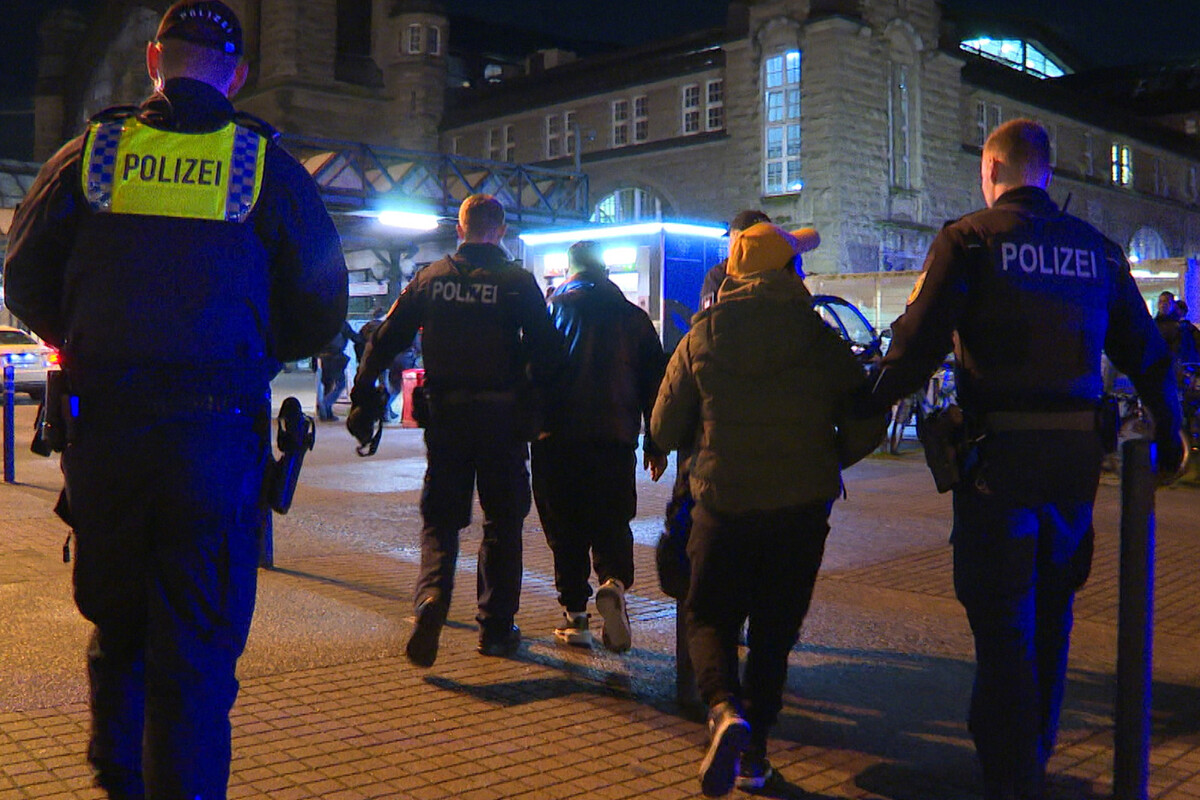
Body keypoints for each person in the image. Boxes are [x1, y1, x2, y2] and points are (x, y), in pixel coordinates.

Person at [1, 2, 348, 797]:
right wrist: (253, 350)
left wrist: (90, 342)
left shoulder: (91, 155)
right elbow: (322, 304)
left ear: (155, 61)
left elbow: (23, 276)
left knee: (118, 624)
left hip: (107, 436)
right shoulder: (264, 169)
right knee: (193, 655)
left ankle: (117, 780)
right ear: (238, 75)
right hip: (214, 442)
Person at [858, 119, 1183, 800]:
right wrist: (1173, 429)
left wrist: (858, 415)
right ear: (1047, 173)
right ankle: (1031, 750)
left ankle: (1012, 772)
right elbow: (1147, 353)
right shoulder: (1096, 250)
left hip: (995, 464)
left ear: (991, 170)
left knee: (1003, 620)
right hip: (1073, 465)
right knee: (1053, 612)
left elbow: (916, 345)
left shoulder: (969, 240)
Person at [651, 222, 868, 797]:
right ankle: (756, 756)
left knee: (708, 616)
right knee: (775, 632)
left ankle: (723, 709)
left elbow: (663, 424)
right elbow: (866, 415)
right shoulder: (817, 336)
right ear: (787, 272)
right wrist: (829, 456)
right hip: (800, 512)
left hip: (721, 508)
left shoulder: (703, 334)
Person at [347, 194, 565, 666]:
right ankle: (495, 629)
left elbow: (385, 339)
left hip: (445, 420)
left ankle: (431, 600)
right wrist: (534, 392)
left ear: (461, 228)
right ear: (501, 230)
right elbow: (549, 352)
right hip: (503, 423)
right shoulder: (517, 281)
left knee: (441, 519)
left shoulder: (430, 279)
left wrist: (365, 393)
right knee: (503, 523)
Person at [532, 240, 668, 651]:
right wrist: (656, 443)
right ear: (606, 273)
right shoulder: (634, 318)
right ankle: (613, 584)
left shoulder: (552, 311)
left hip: (556, 440)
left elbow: (532, 369)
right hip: (614, 440)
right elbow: (656, 385)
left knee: (565, 529)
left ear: (569, 272)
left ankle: (576, 618)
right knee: (611, 522)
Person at [316, 320, 360, 421]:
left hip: (323, 356)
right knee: (340, 384)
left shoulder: (323, 323)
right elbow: (354, 337)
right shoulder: (341, 323)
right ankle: (325, 404)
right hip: (336, 356)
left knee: (327, 384)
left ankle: (326, 413)